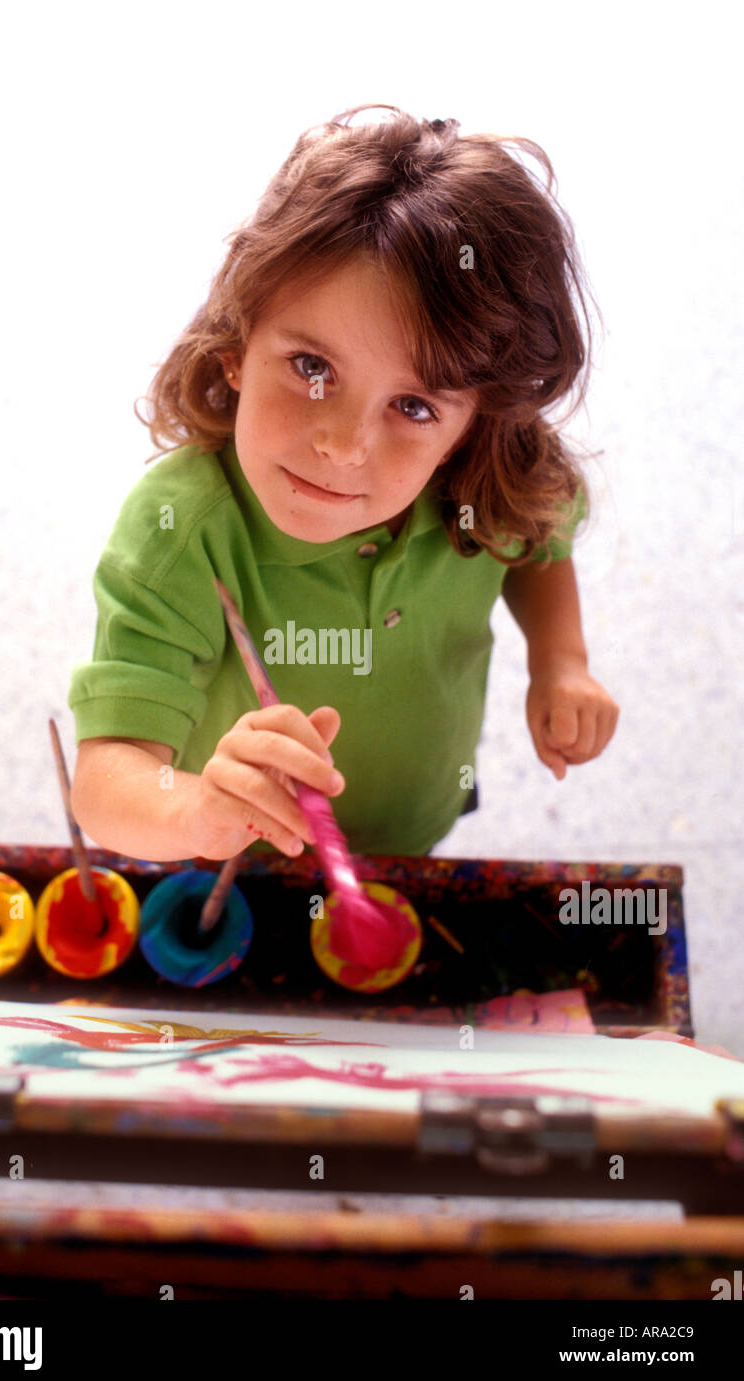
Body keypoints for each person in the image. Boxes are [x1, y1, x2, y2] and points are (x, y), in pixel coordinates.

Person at [68, 104, 618, 864]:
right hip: (233, 865)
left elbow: (535, 540)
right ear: (235, 343)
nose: (342, 445)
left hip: (413, 813)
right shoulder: (181, 530)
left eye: (415, 406)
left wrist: (561, 658)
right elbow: (104, 781)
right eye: (311, 367)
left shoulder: (485, 480)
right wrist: (195, 805)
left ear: (472, 429)